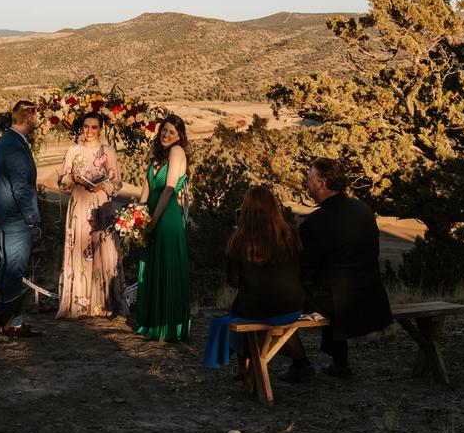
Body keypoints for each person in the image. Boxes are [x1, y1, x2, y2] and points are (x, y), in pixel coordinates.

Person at [293, 157, 392, 381]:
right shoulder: (363, 209)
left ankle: (299, 363)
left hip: (339, 299)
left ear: (322, 183)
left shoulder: (316, 223)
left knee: (287, 298)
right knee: (330, 286)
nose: (306, 184)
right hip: (371, 293)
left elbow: (304, 269)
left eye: (309, 179)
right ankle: (339, 363)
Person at [203, 186, 308, 373]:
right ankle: (300, 363)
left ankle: (245, 367)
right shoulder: (291, 234)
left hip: (257, 310)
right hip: (293, 306)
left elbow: (233, 281)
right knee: (257, 313)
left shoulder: (240, 240)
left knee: (238, 311)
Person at [56, 112, 129, 319]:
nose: (89, 131)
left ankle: (106, 303)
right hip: (79, 207)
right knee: (79, 251)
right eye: (86, 126)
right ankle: (79, 304)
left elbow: (117, 184)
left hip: (101, 206)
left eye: (94, 127)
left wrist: (104, 184)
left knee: (104, 251)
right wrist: (72, 177)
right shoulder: (73, 150)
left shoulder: (108, 151)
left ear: (101, 128)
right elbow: (62, 183)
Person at [0, 101, 43, 336]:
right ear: (29, 118)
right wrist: (31, 218)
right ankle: (12, 322)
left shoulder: (8, 141)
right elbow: (20, 187)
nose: (38, 120)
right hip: (17, 217)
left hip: (10, 216)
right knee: (14, 269)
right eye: (37, 116)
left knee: (9, 265)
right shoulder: (14, 146)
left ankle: (3, 318)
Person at [134, 114, 191, 341]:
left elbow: (168, 189)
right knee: (151, 266)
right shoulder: (155, 153)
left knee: (166, 265)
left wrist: (154, 220)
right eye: (164, 131)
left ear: (179, 137)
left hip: (166, 216)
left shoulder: (177, 152)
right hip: (150, 212)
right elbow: (147, 185)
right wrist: (136, 215)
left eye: (172, 132)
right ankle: (150, 321)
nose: (166, 135)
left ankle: (167, 325)